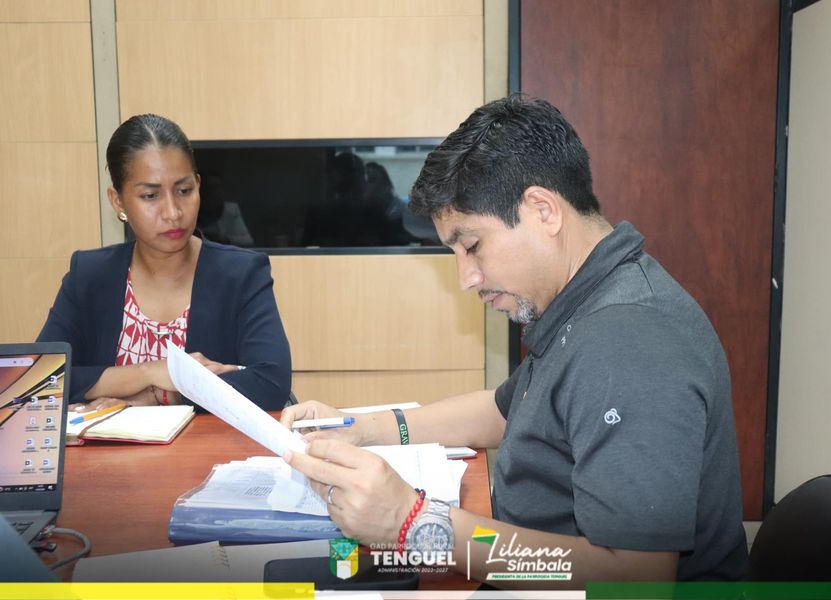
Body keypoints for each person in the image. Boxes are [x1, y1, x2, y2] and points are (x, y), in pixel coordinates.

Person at [280, 94, 747, 586]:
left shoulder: (628, 341)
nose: (466, 278)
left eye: (473, 246)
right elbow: (505, 411)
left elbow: (634, 579)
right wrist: (360, 428)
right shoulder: (585, 295)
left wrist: (414, 524)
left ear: (543, 210)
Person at [37, 114, 292, 412]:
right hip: (107, 444)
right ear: (117, 201)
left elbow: (270, 383)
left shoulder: (241, 273)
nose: (173, 212)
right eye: (150, 195)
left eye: (184, 191)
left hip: (207, 443)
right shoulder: (90, 275)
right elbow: (38, 379)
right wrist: (150, 372)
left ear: (198, 186)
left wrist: (162, 395)